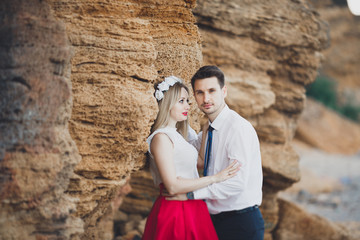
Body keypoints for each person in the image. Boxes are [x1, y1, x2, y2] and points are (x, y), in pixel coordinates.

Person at [170, 66, 265, 240]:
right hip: (213, 220)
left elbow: (237, 183)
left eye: (211, 91)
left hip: (240, 223)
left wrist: (191, 195)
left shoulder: (237, 128)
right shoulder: (208, 129)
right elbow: (190, 149)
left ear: (224, 91)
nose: (206, 98)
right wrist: (173, 117)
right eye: (200, 92)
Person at [142, 76, 240, 240]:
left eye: (187, 100)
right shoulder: (161, 138)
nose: (187, 105)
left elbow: (199, 162)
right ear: (167, 103)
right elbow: (172, 186)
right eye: (181, 101)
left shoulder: (180, 134)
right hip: (175, 208)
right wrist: (215, 178)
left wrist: (206, 128)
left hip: (193, 205)